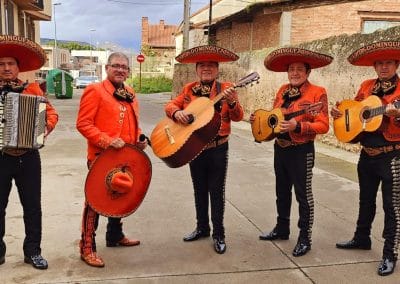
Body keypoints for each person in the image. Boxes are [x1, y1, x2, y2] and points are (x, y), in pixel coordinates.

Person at [251, 47, 331, 257]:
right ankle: (282, 228)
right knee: (281, 192)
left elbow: (323, 126)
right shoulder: (282, 91)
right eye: (291, 69)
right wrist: (260, 120)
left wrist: (298, 126)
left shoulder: (317, 93)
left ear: (308, 72)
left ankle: (305, 238)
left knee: (303, 195)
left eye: (299, 69)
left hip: (301, 150)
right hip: (281, 148)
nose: (295, 73)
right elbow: (274, 116)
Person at [164, 45, 244, 254]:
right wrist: (176, 114)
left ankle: (219, 234)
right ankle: (202, 228)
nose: (206, 69)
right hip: (195, 147)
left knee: (216, 192)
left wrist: (233, 102)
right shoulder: (189, 89)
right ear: (197, 70)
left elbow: (238, 117)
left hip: (218, 148)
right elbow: (171, 105)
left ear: (217, 70)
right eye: (202, 66)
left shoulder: (227, 88)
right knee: (199, 189)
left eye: (211, 66)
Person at [332, 41, 400, 276]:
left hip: (392, 155)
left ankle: (390, 254)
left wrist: (396, 115)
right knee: (365, 200)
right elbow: (356, 109)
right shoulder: (366, 86)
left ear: (396, 64)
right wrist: (341, 113)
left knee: (393, 207)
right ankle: (362, 238)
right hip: (367, 154)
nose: (383, 67)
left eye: (388, 63)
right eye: (379, 63)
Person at [76, 52, 147, 267]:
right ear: (107, 68)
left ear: (128, 71)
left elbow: (134, 124)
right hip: (101, 157)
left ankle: (114, 235)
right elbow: (83, 124)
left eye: (124, 67)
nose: (120, 70)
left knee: (120, 196)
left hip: (126, 157)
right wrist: (106, 141)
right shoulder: (95, 91)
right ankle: (86, 247)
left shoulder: (131, 93)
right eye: (116, 66)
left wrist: (139, 139)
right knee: (95, 202)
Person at [0, 35, 58, 269]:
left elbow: (51, 114)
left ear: (18, 67)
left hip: (28, 157)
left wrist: (45, 126)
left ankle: (32, 251)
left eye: (10, 64)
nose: (6, 68)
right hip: (1, 157)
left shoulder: (32, 89)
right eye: (1, 64)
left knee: (33, 207)